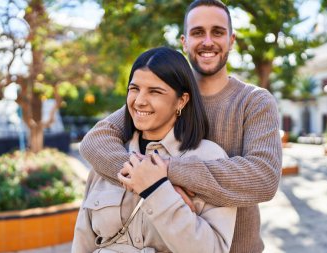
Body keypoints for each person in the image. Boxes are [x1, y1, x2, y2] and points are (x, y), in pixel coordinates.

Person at [79, 0, 282, 252]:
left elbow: (263, 177)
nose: (207, 41)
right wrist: (145, 180)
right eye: (198, 33)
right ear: (184, 42)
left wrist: (165, 173)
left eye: (217, 32)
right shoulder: (163, 95)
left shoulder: (254, 101)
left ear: (231, 40)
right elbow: (96, 141)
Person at [72, 47, 237, 253]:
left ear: (182, 100)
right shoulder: (108, 156)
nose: (139, 100)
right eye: (134, 89)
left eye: (155, 91)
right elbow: (83, 239)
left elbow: (214, 250)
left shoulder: (209, 158)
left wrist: (157, 190)